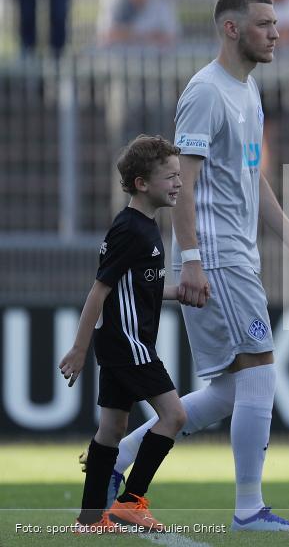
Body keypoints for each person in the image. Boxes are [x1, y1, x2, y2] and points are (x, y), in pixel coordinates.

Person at [97, 0, 289, 532]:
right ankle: (249, 510)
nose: (276, 32)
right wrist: (192, 260)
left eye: (276, 23)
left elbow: (252, 176)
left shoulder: (247, 91)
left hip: (232, 255)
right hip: (218, 258)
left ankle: (117, 460)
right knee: (261, 376)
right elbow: (186, 185)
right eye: (265, 23)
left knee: (230, 388)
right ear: (231, 28)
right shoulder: (205, 91)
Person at [59, 135, 190, 532]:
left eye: (179, 175)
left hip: (124, 345)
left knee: (112, 429)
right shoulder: (129, 230)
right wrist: (80, 348)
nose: (178, 183)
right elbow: (100, 289)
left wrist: (176, 292)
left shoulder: (145, 228)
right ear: (141, 184)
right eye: (169, 176)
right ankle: (131, 503)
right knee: (174, 415)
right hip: (128, 344)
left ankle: (90, 518)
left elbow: (138, 287)